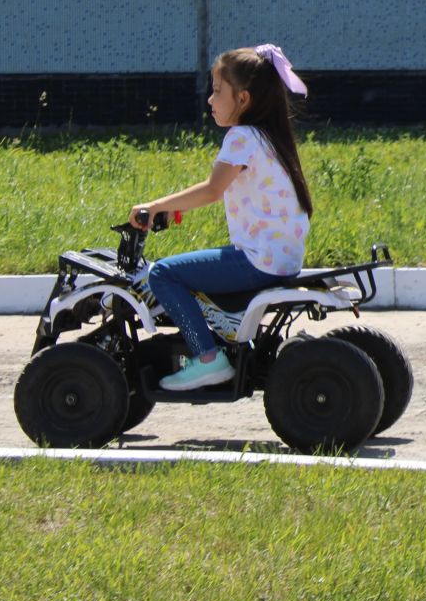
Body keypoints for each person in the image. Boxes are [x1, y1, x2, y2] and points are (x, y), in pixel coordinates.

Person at [132, 45, 314, 392]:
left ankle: (207, 358)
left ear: (243, 98)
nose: (210, 100)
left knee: (164, 273)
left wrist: (153, 206)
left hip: (257, 260)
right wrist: (174, 206)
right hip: (283, 258)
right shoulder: (270, 137)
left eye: (217, 91)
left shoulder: (241, 136)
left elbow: (213, 190)